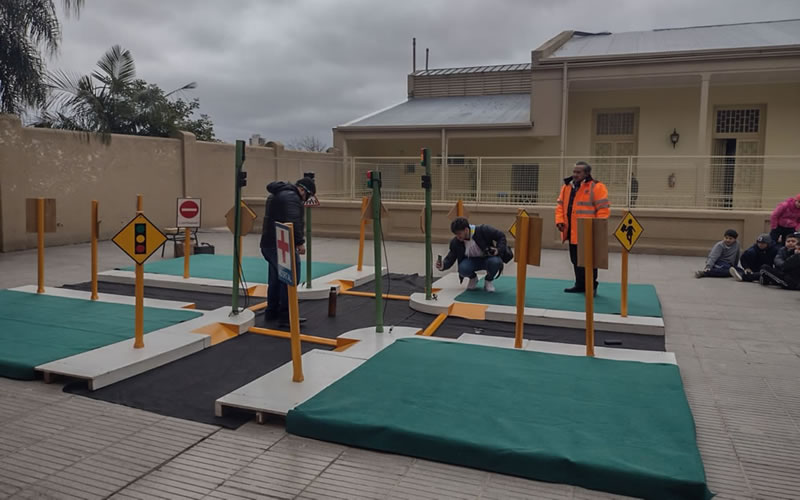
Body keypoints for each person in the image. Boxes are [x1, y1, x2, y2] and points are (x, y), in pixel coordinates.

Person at [259, 177, 316, 327]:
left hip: (269, 243)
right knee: (290, 278)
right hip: (282, 245)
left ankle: (272, 312)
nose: (305, 200)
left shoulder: (276, 194)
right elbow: (293, 220)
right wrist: (299, 242)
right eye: (307, 196)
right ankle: (287, 316)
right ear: (302, 190)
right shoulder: (291, 198)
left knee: (275, 279)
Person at [555, 161, 610, 293]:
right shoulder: (567, 187)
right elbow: (560, 206)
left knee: (589, 262)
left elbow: (603, 210)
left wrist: (597, 228)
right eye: (574, 171)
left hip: (588, 231)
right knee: (575, 260)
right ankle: (580, 285)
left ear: (587, 173)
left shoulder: (596, 187)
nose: (575, 174)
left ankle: (591, 286)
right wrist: (560, 221)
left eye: (578, 172)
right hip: (571, 231)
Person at [435, 217, 513, 292]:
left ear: (466, 230)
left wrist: (498, 250)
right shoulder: (456, 242)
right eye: (456, 234)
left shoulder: (483, 230)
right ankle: (473, 278)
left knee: (496, 262)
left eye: (459, 233)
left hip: (488, 258)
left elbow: (501, 236)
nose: (458, 237)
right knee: (462, 268)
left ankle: (488, 280)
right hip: (470, 261)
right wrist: (443, 265)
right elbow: (450, 257)